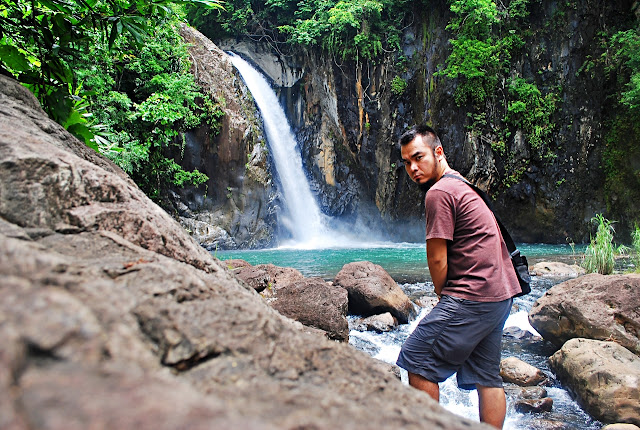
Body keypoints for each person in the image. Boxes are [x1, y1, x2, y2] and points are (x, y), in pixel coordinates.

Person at [395, 124, 521, 429]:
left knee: (416, 360)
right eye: (407, 163)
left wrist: (443, 296)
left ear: (438, 152)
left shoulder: (438, 193)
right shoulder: (462, 184)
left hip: (473, 296)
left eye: (418, 157)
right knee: (487, 375)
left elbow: (437, 256)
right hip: (500, 294)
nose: (413, 168)